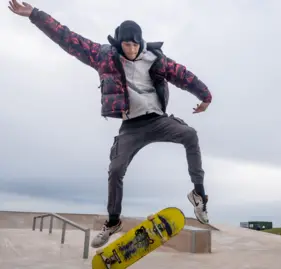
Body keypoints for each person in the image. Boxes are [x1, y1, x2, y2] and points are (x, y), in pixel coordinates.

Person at [8, 0, 212, 248]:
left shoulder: (156, 58)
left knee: (190, 135)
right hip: (131, 127)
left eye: (135, 44)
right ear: (119, 43)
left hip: (157, 120)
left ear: (141, 42)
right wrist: (35, 15)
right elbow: (68, 39)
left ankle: (198, 195)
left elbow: (183, 75)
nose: (131, 49)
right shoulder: (103, 56)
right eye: (126, 44)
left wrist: (205, 97)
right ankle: (113, 220)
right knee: (115, 170)